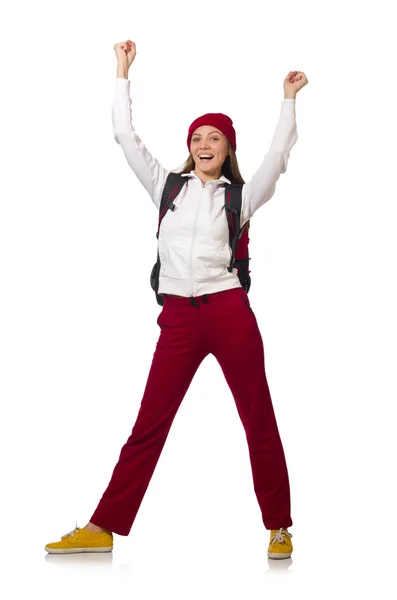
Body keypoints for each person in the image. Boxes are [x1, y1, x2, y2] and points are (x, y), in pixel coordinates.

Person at [45, 40, 308, 559]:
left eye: (215, 138)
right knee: (149, 422)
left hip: (230, 312)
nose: (205, 143)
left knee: (258, 414)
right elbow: (124, 134)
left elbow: (277, 157)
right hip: (178, 321)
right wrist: (123, 71)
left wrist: (288, 100)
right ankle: (103, 526)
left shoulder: (241, 197)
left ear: (229, 149)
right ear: (190, 148)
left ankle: (279, 525)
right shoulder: (166, 186)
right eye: (197, 137)